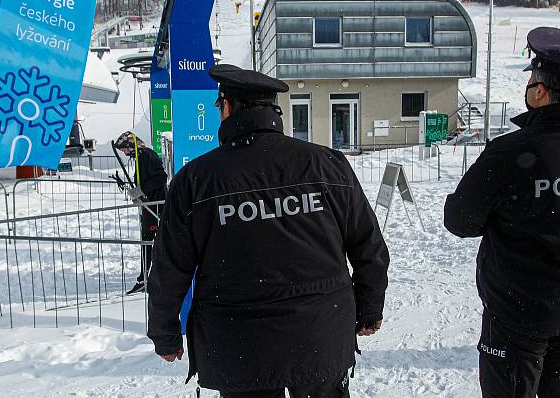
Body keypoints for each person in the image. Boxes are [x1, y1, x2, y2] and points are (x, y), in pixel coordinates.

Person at [146, 64, 389, 397]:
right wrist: (369, 309)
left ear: (227, 108)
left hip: (240, 347)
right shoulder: (327, 164)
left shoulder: (196, 181)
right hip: (320, 337)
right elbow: (369, 247)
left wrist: (165, 333)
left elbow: (168, 269)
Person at [444, 27, 560, 398]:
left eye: (532, 78)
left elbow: (460, 220)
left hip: (518, 317)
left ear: (540, 91)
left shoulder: (513, 151)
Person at [115, 131, 168, 295]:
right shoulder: (140, 157)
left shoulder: (146, 155)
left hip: (155, 207)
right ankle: (144, 277)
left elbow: (160, 177)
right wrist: (138, 193)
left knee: (151, 242)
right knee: (148, 242)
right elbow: (146, 179)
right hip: (149, 205)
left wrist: (141, 190)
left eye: (124, 149)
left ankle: (147, 279)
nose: (124, 152)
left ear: (131, 144)